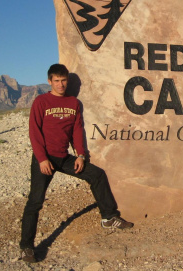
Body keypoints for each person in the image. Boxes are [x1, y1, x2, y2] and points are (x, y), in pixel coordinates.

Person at [20, 64, 133, 263]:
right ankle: (27, 247)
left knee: (96, 174)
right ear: (50, 81)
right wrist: (41, 159)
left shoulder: (73, 103)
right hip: (45, 158)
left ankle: (108, 218)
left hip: (64, 158)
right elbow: (34, 132)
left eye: (64, 80)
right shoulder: (41, 101)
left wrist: (80, 155)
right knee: (35, 201)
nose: (61, 84)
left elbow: (76, 130)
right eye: (56, 81)